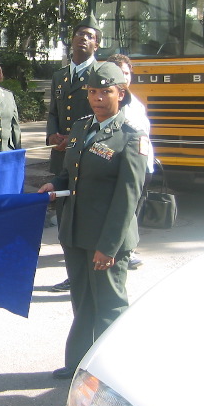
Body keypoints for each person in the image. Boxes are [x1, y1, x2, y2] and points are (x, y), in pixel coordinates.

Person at [38, 62, 149, 379]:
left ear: (120, 93)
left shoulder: (131, 137)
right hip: (75, 232)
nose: (97, 97)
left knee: (110, 306)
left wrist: (109, 246)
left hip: (105, 238)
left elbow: (128, 197)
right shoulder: (82, 127)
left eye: (105, 91)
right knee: (82, 301)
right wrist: (55, 185)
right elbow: (71, 173)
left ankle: (113, 374)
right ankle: (79, 365)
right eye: (92, 91)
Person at [47, 15, 100, 292]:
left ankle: (89, 265)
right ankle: (72, 269)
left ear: (97, 44)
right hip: (61, 153)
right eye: (79, 34)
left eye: (89, 36)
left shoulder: (101, 74)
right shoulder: (60, 75)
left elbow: (101, 116)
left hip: (88, 153)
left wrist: (76, 140)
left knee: (85, 209)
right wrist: (52, 136)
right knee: (64, 211)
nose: (83, 39)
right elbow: (54, 112)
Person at [108, 54, 155, 269]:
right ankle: (117, 251)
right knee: (119, 208)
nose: (124, 77)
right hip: (119, 164)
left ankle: (127, 250)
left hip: (142, 164)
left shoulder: (136, 104)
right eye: (119, 73)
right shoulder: (109, 104)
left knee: (133, 209)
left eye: (127, 73)